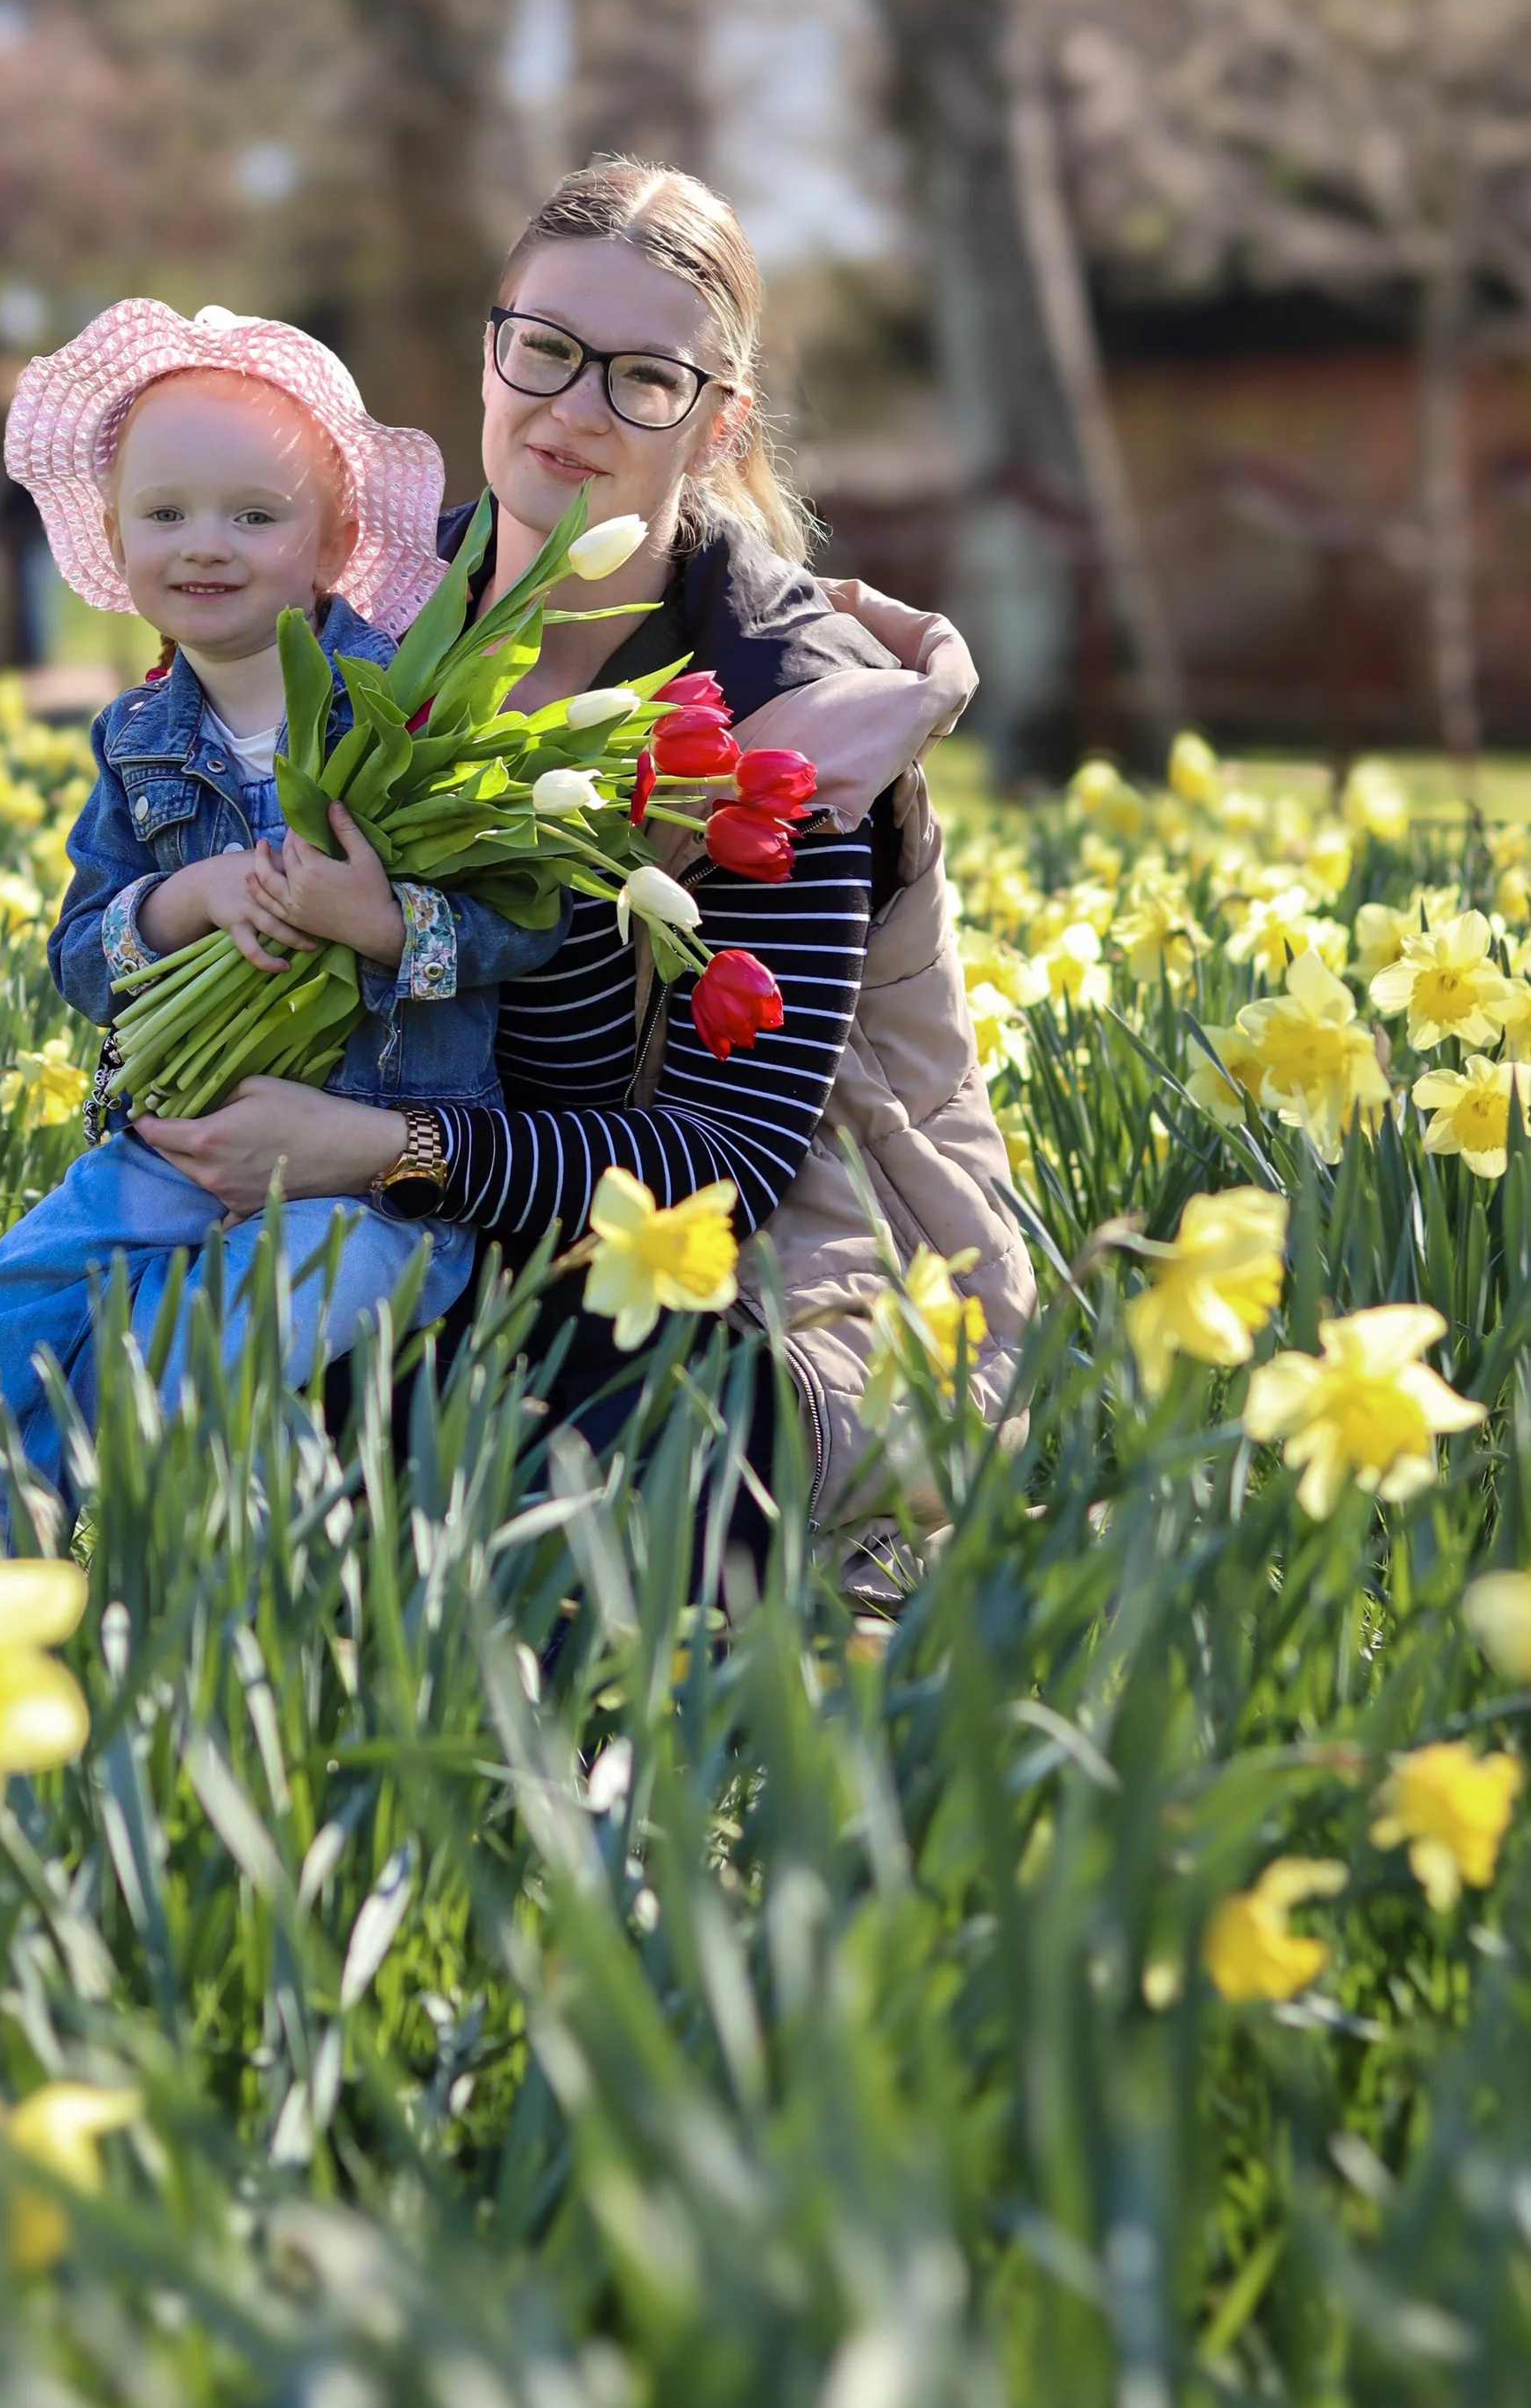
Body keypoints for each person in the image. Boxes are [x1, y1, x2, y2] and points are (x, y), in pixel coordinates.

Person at [128, 163, 1032, 1594]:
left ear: (719, 418)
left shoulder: (787, 711)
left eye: (645, 379)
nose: (573, 408)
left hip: (748, 1290)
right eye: (544, 348)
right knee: (160, 1394)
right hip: (434, 1231)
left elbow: (728, 1169)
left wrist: (375, 1151)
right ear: (490, 346)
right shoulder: (368, 616)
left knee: (490, 1452)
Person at [0, 298, 564, 1471]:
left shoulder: (416, 711)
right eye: (164, 513)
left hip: (373, 1198)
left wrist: (378, 925)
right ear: (117, 547)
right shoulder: (136, 736)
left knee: (186, 1367)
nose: (204, 543)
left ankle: (224, 1594)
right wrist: (184, 899)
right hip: (168, 1150)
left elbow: (520, 928)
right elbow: (81, 953)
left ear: (332, 544)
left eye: (253, 514)